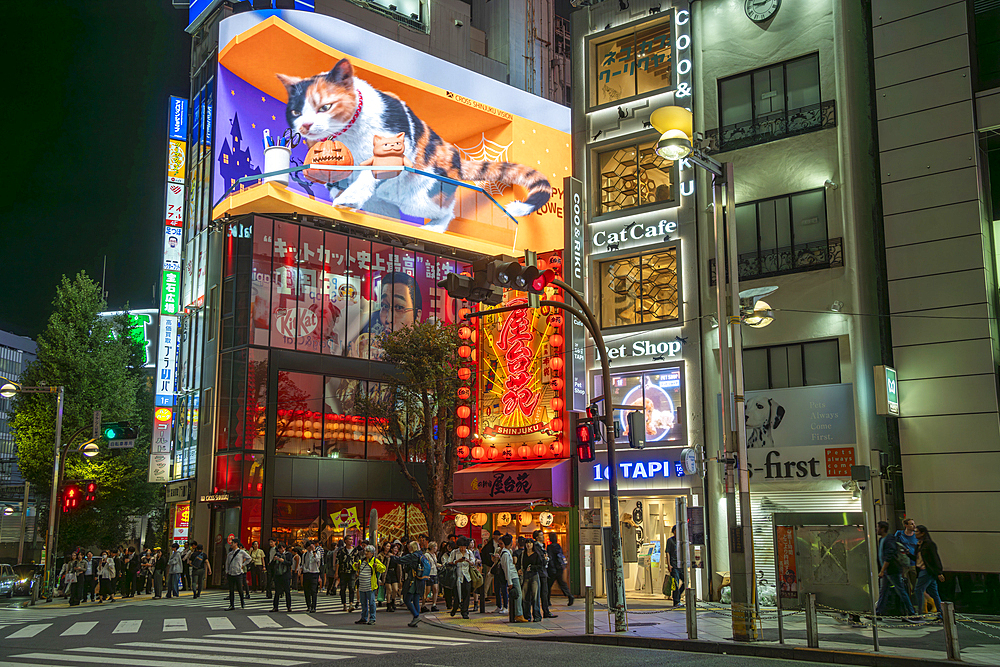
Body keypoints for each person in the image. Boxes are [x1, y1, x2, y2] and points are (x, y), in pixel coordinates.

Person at [875, 521, 916, 617]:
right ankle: (878, 611)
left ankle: (911, 611)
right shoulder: (882, 540)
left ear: (882, 529)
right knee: (883, 591)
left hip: (892, 570)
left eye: (878, 528)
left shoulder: (889, 539)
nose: (876, 530)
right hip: (886, 571)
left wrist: (882, 570)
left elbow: (890, 555)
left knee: (900, 590)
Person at [392, 539, 431, 627]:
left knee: (407, 599)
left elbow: (400, 560)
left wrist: (391, 556)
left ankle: (416, 616)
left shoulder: (413, 556)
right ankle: (415, 619)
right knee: (416, 599)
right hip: (421, 580)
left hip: (413, 580)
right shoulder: (422, 555)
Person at [912, 525, 946, 617]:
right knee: (934, 592)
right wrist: (908, 553)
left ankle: (920, 612)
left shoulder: (929, 544)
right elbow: (917, 558)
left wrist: (939, 572)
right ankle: (941, 614)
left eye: (917, 532)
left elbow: (935, 558)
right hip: (925, 570)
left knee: (918, 590)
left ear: (923, 533)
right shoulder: (920, 545)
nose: (915, 533)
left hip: (926, 570)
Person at [354, 544, 386, 625]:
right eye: (366, 551)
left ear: (372, 553)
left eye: (368, 552)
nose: (366, 553)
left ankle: (372, 618)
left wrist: (377, 566)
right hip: (362, 586)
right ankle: (364, 617)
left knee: (371, 603)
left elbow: (383, 568)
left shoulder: (375, 560)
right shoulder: (361, 561)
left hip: (370, 586)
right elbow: (355, 567)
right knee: (363, 602)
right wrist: (356, 565)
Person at [499, 534, 526, 623]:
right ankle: (518, 614)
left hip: (512, 576)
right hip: (512, 577)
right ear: (510, 542)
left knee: (518, 595)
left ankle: (518, 614)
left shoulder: (506, 552)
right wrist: (509, 581)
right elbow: (506, 568)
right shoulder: (506, 554)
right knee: (518, 595)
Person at [446, 537, 474, 619]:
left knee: (467, 594)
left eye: (464, 547)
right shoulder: (454, 552)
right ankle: (455, 608)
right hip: (457, 576)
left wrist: (468, 561)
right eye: (461, 546)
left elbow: (473, 563)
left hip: (467, 576)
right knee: (457, 594)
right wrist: (457, 561)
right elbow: (449, 562)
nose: (462, 548)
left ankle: (464, 611)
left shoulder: (469, 553)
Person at [546, 533, 573, 605]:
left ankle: (547, 601)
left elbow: (550, 558)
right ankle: (569, 595)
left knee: (548, 585)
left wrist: (551, 568)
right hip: (559, 568)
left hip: (553, 569)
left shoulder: (549, 547)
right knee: (562, 584)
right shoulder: (558, 546)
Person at [895, 518, 920, 593]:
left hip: (913, 562)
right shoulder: (899, 534)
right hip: (903, 562)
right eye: (911, 524)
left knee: (916, 584)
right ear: (906, 525)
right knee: (904, 585)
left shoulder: (916, 536)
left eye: (913, 524)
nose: (914, 526)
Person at [225, 540, 252, 610]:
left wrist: (243, 565)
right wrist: (227, 571)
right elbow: (227, 563)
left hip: (238, 573)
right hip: (231, 573)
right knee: (231, 590)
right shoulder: (230, 554)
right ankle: (231, 604)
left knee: (240, 589)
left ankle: (242, 602)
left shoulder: (241, 552)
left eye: (232, 543)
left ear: (236, 544)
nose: (231, 544)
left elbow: (249, 558)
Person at [665, 525, 685, 607]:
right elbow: (667, 553)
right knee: (676, 583)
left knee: (686, 581)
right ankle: (676, 601)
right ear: (673, 531)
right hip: (674, 565)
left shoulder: (682, 541)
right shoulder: (670, 541)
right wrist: (669, 564)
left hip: (681, 565)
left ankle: (677, 596)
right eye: (676, 530)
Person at [270, 542, 293, 613]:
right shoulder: (277, 554)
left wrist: (283, 561)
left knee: (287, 591)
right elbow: (272, 565)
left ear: (285, 548)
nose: (281, 550)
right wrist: (274, 560)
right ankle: (275, 606)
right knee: (277, 592)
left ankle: (289, 606)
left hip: (286, 575)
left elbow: (290, 563)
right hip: (278, 575)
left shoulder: (288, 554)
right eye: (279, 548)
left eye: (282, 548)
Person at [302, 541, 323, 613]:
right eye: (309, 547)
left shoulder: (317, 553)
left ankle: (313, 606)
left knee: (314, 591)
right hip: (307, 573)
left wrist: (314, 551)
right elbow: (303, 564)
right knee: (306, 591)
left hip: (314, 573)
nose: (310, 548)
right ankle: (308, 605)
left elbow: (317, 560)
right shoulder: (304, 555)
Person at [337, 540, 357, 612]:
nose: (351, 541)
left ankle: (351, 603)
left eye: (352, 540)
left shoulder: (355, 551)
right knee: (343, 588)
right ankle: (344, 604)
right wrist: (336, 572)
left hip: (352, 571)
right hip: (343, 572)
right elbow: (338, 561)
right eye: (349, 540)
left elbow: (358, 561)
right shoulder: (341, 551)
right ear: (345, 541)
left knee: (352, 588)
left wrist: (358, 570)